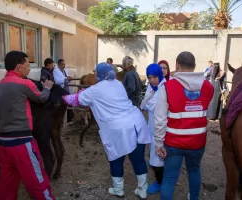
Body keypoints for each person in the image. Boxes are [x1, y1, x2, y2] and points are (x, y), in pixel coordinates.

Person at [63, 62, 151, 199]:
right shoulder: (118, 84)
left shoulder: (94, 90)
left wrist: (62, 97)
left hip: (118, 129)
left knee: (116, 158)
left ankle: (118, 189)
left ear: (99, 74)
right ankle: (143, 189)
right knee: (138, 159)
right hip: (137, 122)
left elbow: (74, 100)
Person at [0, 51, 55, 200]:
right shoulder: (24, 83)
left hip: (2, 144)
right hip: (22, 143)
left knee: (7, 185)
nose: (29, 69)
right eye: (27, 66)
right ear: (19, 67)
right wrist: (47, 88)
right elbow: (41, 99)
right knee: (38, 183)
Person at [154, 52, 214, 200]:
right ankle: (194, 197)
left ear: (177, 66)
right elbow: (209, 115)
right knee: (194, 170)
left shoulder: (167, 87)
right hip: (197, 142)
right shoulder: (208, 87)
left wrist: (158, 143)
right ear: (194, 67)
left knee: (169, 177)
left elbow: (160, 120)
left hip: (173, 143)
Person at [140, 64, 166, 195]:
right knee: (155, 154)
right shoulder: (152, 86)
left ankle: (160, 183)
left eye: (154, 77)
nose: (151, 80)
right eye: (149, 77)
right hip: (152, 124)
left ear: (160, 75)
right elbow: (147, 103)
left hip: (161, 127)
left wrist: (149, 105)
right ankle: (161, 180)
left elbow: (157, 106)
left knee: (157, 157)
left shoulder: (165, 87)